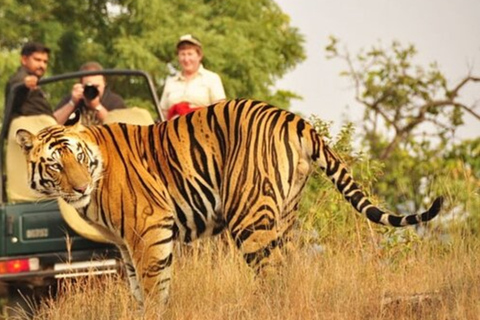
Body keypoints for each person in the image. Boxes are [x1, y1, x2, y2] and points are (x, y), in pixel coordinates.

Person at [159, 34, 226, 120]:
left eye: (190, 54)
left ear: (199, 56)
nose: (186, 59)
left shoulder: (212, 79)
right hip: (172, 130)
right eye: (183, 54)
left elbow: (220, 112)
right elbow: (163, 113)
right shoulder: (170, 82)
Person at [54, 61, 125, 125]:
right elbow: (51, 124)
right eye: (88, 86)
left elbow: (121, 128)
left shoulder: (114, 101)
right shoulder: (73, 99)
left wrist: (97, 107)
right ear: (80, 85)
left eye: (96, 86)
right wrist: (72, 103)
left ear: (104, 83)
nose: (92, 90)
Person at [5, 42, 53, 119]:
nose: (42, 65)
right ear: (24, 60)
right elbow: (16, 88)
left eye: (45, 62)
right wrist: (25, 84)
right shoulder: (19, 79)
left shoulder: (37, 84)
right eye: (37, 60)